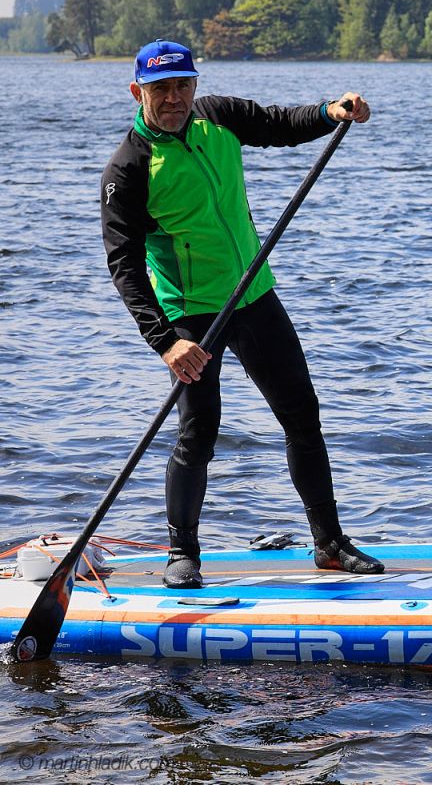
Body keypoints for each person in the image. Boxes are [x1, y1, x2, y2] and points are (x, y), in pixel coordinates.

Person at [100, 40, 384, 588]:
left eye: (183, 85)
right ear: (138, 92)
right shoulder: (129, 168)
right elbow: (125, 267)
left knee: (302, 414)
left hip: (253, 295)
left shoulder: (218, 118)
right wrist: (165, 342)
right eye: (161, 89)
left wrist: (330, 112)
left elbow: (278, 123)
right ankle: (182, 553)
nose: (175, 98)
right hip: (190, 316)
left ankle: (329, 544)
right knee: (199, 432)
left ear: (195, 86)